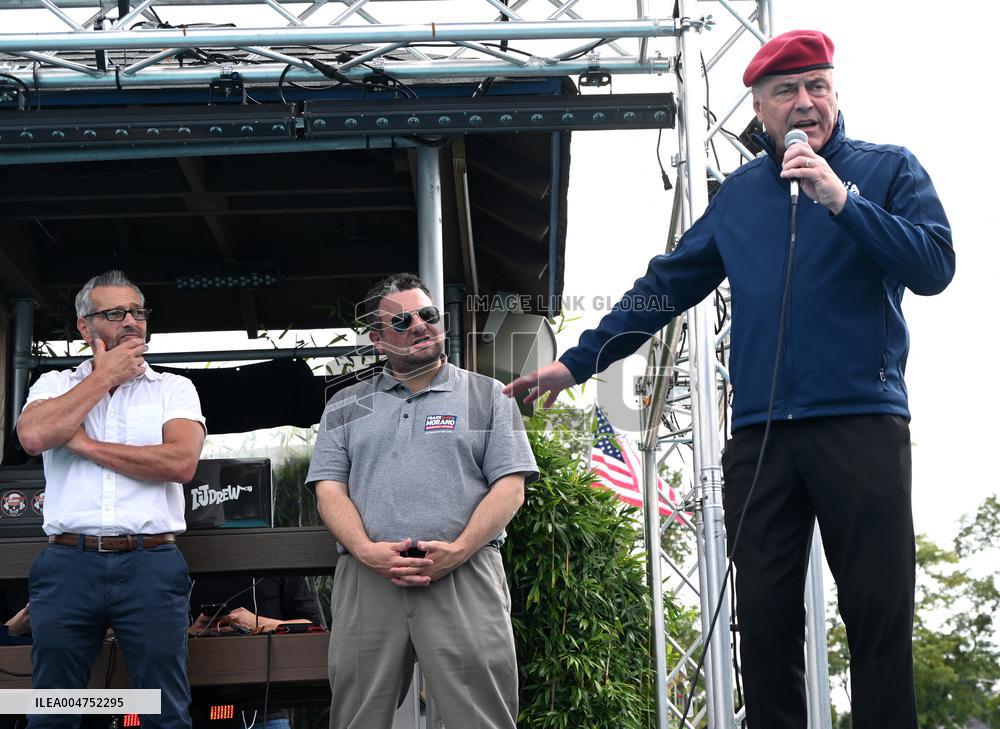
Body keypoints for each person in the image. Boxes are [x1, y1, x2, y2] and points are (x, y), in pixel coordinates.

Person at [504, 29, 953, 729]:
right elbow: (665, 286)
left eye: (817, 87)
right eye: (786, 91)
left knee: (877, 617)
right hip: (762, 436)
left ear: (835, 95)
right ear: (761, 108)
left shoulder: (887, 169)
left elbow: (934, 266)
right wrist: (576, 361)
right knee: (765, 626)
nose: (804, 103)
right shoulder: (741, 195)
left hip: (862, 422)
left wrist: (842, 200)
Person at [306, 272, 538, 729]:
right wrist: (365, 550)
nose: (420, 326)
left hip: (464, 572)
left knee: (482, 719)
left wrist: (459, 549)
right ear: (377, 339)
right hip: (369, 575)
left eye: (428, 315)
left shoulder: (487, 395)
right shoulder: (345, 405)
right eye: (402, 321)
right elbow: (328, 489)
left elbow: (511, 486)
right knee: (355, 718)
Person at [16, 270, 207, 729]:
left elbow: (180, 463)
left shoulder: (173, 388)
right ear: (85, 327)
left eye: (138, 312)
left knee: (164, 710)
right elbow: (36, 435)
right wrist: (103, 379)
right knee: (54, 713)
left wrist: (82, 444)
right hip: (68, 562)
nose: (131, 322)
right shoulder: (54, 385)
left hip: (150, 561)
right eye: (115, 313)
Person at [188, 575, 324, 729]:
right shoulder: (188, 563)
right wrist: (193, 631)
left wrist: (257, 624)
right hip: (196, 712)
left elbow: (313, 626)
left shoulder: (278, 561)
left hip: (265, 713)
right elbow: (159, 638)